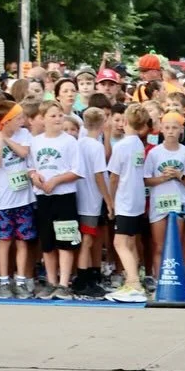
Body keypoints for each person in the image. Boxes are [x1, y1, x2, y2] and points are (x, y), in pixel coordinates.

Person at [28, 100, 85, 299]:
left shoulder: (69, 141)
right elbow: (31, 166)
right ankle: (51, 281)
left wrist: (58, 180)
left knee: (65, 239)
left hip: (64, 196)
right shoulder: (36, 141)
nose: (58, 119)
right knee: (48, 241)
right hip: (43, 196)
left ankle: (63, 283)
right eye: (52, 116)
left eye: (60, 115)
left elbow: (77, 170)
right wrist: (35, 176)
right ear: (42, 119)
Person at [106, 104, 151, 302]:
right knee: (130, 241)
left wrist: (110, 200)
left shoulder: (123, 146)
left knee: (120, 242)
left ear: (125, 122)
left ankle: (133, 282)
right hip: (137, 198)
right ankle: (132, 280)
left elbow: (114, 177)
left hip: (124, 198)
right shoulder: (138, 145)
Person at [0, 103, 35, 299]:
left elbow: (24, 153)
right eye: (18, 118)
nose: (22, 121)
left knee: (22, 241)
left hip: (23, 198)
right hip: (3, 200)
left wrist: (4, 138)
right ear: (7, 120)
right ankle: (4, 281)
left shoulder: (24, 134)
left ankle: (21, 280)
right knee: (4, 241)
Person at [144, 112, 185, 283]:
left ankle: (178, 279)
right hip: (159, 202)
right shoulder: (154, 153)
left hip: (178, 201)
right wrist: (163, 178)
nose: (171, 131)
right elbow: (146, 180)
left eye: (174, 128)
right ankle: (160, 280)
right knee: (159, 245)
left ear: (181, 130)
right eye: (167, 128)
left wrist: (179, 175)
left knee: (176, 243)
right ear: (161, 130)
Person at [75, 107, 110, 298]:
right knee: (87, 241)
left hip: (80, 197)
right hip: (91, 200)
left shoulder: (79, 143)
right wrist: (109, 200)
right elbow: (99, 176)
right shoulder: (96, 146)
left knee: (85, 240)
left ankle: (84, 275)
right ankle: (82, 279)